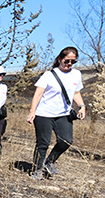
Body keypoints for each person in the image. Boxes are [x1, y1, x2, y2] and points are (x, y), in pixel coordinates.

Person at [27, 47, 86, 179]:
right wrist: (32, 112)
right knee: (43, 143)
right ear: (59, 59)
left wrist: (82, 106)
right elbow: (38, 94)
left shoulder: (76, 74)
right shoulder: (49, 75)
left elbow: (76, 93)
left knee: (66, 140)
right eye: (66, 61)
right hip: (44, 114)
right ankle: (37, 170)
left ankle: (50, 161)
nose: (69, 64)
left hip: (63, 114)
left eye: (73, 61)